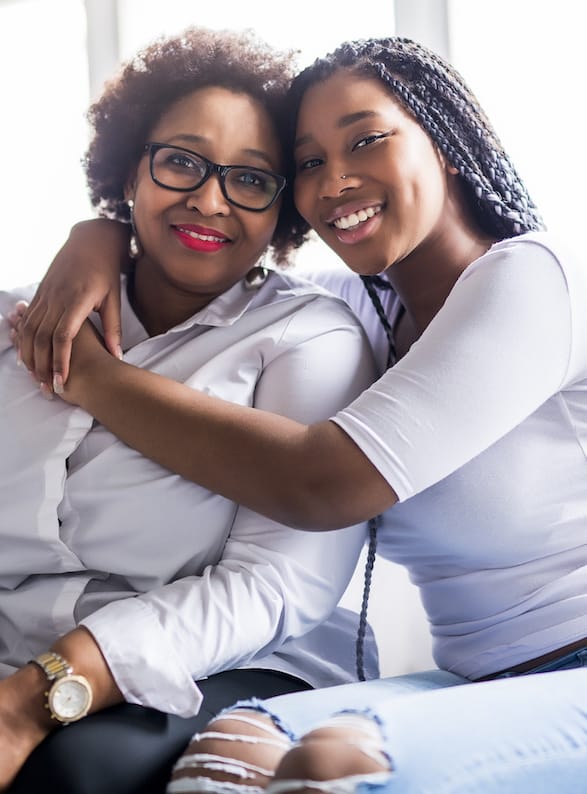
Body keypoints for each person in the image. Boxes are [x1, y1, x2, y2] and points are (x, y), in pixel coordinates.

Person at [11, 34, 587, 791]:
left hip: (570, 669)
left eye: (365, 140)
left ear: (444, 142)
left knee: (323, 765)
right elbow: (215, 256)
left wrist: (87, 374)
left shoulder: (531, 278)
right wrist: (99, 235)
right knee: (232, 756)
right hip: (478, 678)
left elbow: (321, 483)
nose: (335, 180)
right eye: (310, 162)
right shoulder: (360, 305)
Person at [0, 27, 382, 794]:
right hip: (18, 658)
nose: (208, 199)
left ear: (285, 209)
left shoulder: (305, 338)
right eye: (180, 162)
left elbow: (275, 589)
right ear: (129, 171)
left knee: (76, 775)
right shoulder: (19, 322)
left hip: (227, 662)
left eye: (250, 179)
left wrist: (34, 698)